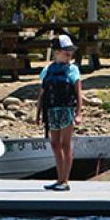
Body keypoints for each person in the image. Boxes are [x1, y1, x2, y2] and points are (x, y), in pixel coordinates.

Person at [36, 34, 82, 191]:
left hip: (66, 110)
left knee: (65, 144)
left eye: (70, 51)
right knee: (55, 144)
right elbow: (42, 93)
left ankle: (66, 180)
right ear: (56, 52)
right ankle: (59, 178)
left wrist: (78, 113)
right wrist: (38, 113)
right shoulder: (47, 70)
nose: (69, 54)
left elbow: (78, 93)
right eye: (65, 51)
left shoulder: (72, 70)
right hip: (51, 111)